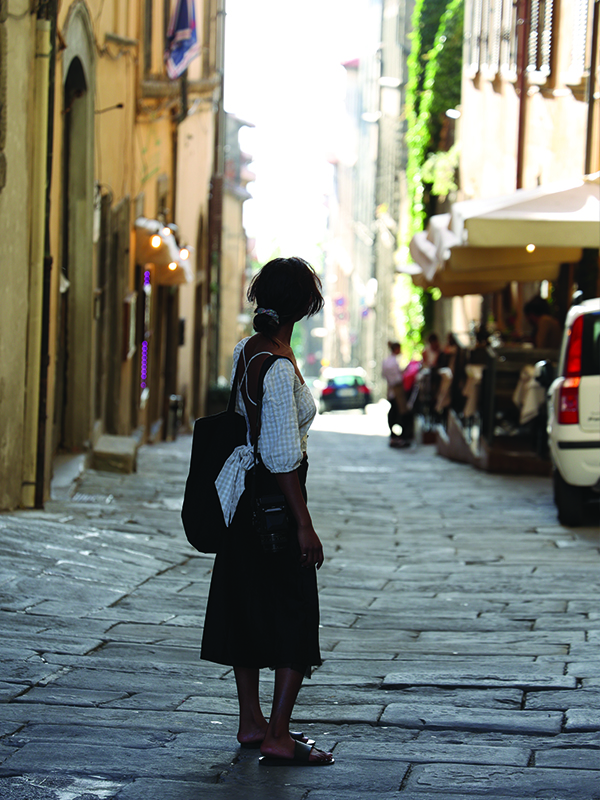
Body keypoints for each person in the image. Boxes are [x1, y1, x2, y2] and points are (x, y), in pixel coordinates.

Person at [201, 257, 334, 767]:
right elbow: (280, 454)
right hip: (274, 504)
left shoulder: (248, 351)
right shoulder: (276, 366)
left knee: (247, 605)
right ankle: (278, 734)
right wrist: (305, 525)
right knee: (294, 611)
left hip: (242, 501)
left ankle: (251, 721)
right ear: (303, 306)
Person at [382, 341, 412, 447]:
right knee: (400, 411)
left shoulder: (386, 361)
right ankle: (400, 436)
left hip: (392, 388)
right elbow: (397, 378)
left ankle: (395, 435)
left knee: (394, 411)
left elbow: (384, 374)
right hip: (396, 388)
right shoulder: (393, 362)